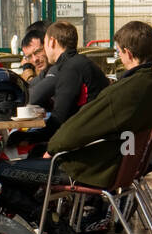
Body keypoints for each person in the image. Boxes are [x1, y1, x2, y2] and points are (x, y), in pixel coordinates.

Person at [0, 20, 152, 234]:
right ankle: (45, 230)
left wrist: (53, 148)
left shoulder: (131, 87)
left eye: (118, 51)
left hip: (90, 168)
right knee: (20, 170)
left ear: (127, 53)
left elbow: (82, 125)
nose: (119, 56)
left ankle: (58, 233)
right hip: (111, 163)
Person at [17, 21, 108, 155]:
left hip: (83, 151)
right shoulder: (79, 63)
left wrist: (30, 139)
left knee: (9, 161)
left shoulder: (70, 69)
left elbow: (59, 119)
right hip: (93, 141)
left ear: (52, 42)